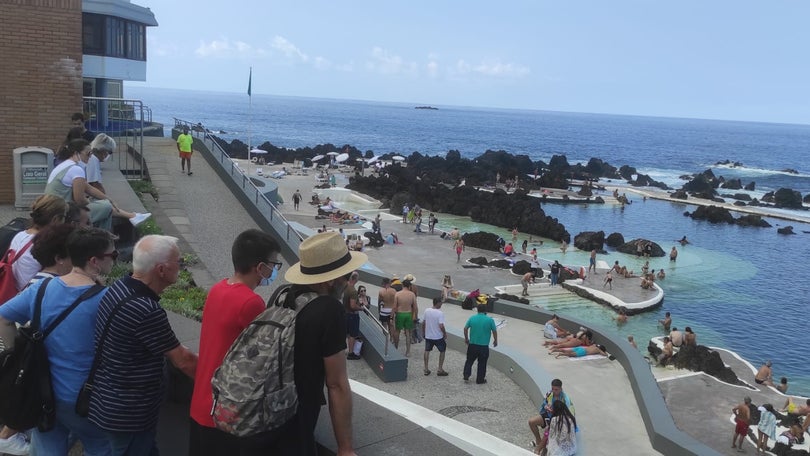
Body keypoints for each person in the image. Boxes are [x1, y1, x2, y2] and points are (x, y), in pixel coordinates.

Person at [0, 227, 116, 454]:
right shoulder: (106, 299)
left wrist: (16, 354)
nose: (115, 260)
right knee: (101, 446)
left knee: (47, 448)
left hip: (42, 389)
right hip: (85, 395)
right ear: (95, 261)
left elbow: (4, 316)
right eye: (113, 256)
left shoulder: (42, 287)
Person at [247, 231, 364, 455]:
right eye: (346, 276)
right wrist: (345, 448)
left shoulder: (283, 295)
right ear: (331, 279)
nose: (348, 280)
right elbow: (337, 384)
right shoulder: (329, 310)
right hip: (293, 421)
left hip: (264, 411)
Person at [88, 235, 199, 455]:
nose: (182, 267)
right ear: (161, 270)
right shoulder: (145, 309)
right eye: (179, 262)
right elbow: (183, 360)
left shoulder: (120, 287)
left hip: (109, 400)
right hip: (129, 413)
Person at [189, 229, 283, 455]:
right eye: (273, 265)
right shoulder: (251, 302)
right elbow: (263, 359)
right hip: (224, 413)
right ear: (260, 267)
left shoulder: (218, 289)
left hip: (200, 403)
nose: (274, 270)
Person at [45, 139, 150, 231]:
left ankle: (129, 218)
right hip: (64, 212)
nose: (90, 156)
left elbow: (88, 187)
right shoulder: (76, 169)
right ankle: (108, 232)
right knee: (106, 207)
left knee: (105, 205)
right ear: (77, 153)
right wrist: (96, 201)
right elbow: (80, 200)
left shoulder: (66, 165)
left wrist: (108, 199)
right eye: (88, 153)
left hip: (55, 209)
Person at [5, 194, 66, 292]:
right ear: (55, 219)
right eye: (64, 218)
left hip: (12, 291)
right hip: (32, 294)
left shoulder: (19, 235)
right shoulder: (46, 243)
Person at [528, 378, 575, 451]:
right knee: (531, 422)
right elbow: (544, 403)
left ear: (561, 389)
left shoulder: (565, 399)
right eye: (553, 389)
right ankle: (538, 441)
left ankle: (539, 449)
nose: (554, 391)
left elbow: (568, 414)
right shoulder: (549, 394)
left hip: (558, 420)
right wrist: (546, 406)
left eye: (556, 389)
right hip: (548, 416)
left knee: (547, 433)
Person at [463, 304, 498, 384]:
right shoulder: (490, 320)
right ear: (485, 311)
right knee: (482, 363)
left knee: (469, 360)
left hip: (473, 344)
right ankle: (480, 379)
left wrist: (466, 338)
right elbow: (494, 331)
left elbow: (465, 328)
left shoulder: (472, 318)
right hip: (484, 346)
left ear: (477, 310)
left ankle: (466, 375)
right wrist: (495, 340)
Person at [422, 297, 448, 377]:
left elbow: (423, 323)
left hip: (428, 335)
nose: (441, 304)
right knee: (442, 350)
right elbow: (441, 325)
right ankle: (440, 369)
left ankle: (426, 369)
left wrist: (424, 332)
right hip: (438, 336)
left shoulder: (427, 311)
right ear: (438, 303)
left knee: (427, 350)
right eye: (441, 303)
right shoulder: (440, 313)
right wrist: (444, 333)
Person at [392, 279, 418, 356]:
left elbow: (394, 307)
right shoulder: (412, 295)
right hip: (408, 314)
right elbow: (415, 307)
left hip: (400, 314)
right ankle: (408, 351)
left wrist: (391, 316)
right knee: (408, 333)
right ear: (409, 286)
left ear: (402, 285)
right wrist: (415, 316)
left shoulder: (398, 294)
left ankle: (396, 348)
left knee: (397, 331)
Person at [343, 271, 362, 360]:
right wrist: (361, 308)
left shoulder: (344, 287)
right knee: (352, 335)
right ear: (356, 279)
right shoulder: (353, 291)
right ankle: (351, 353)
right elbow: (353, 306)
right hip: (352, 315)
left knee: (344, 333)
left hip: (344, 313)